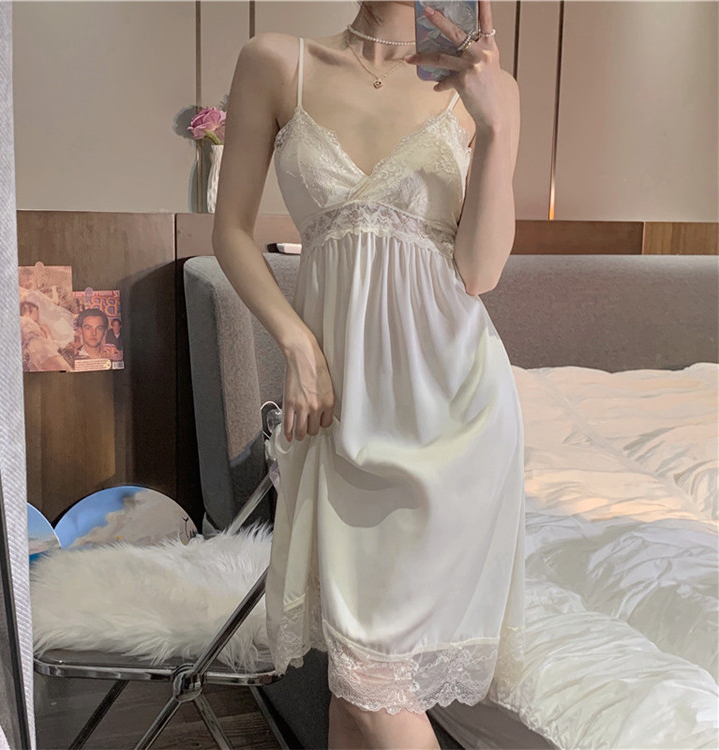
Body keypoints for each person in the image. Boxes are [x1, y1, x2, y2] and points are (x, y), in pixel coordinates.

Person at [213, 1, 522, 748]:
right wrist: (295, 342)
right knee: (354, 682)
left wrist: (494, 125)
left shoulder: (488, 86)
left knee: (370, 683)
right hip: (343, 412)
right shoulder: (276, 62)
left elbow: (480, 272)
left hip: (455, 413)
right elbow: (230, 232)